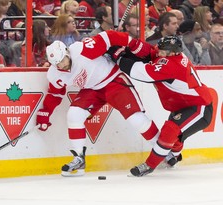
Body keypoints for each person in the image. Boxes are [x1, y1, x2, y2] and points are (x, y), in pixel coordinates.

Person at [36, 30, 160, 177]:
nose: (62, 66)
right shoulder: (54, 74)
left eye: (63, 60)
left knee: (136, 118)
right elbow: (55, 94)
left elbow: (109, 36)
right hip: (93, 90)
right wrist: (45, 113)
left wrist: (133, 44)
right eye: (57, 64)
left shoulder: (82, 49)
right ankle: (79, 159)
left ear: (67, 52)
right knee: (74, 115)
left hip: (113, 80)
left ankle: (163, 150)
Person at [107, 35, 213, 177]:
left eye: (163, 52)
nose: (159, 52)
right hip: (183, 104)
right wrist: (126, 50)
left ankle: (149, 165)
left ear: (174, 53)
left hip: (199, 107)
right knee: (173, 136)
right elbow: (148, 55)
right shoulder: (166, 53)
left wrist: (119, 57)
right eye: (161, 49)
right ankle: (173, 159)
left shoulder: (172, 65)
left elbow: (141, 72)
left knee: (170, 130)